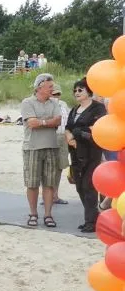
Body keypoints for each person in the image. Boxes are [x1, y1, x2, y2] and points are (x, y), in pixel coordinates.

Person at [21, 73, 62, 228]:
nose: (52, 89)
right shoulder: (27, 102)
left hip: (51, 146)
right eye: (50, 86)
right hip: (32, 147)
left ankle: (48, 214)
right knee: (32, 183)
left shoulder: (54, 103)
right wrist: (47, 122)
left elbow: (58, 121)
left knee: (49, 183)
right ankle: (33, 213)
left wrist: (41, 122)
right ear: (39, 87)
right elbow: (31, 123)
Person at [65, 77, 106, 232]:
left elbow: (97, 128)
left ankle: (91, 221)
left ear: (88, 92)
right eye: (75, 90)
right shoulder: (74, 109)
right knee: (79, 185)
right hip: (75, 152)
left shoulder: (98, 108)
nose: (77, 92)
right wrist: (70, 137)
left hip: (91, 151)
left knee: (88, 185)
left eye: (80, 90)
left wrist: (79, 133)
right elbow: (68, 127)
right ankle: (92, 216)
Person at [51, 83, 70, 205]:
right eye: (54, 94)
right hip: (52, 136)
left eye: (58, 94)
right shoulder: (46, 105)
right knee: (49, 167)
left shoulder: (64, 104)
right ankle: (48, 195)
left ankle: (55, 195)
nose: (56, 96)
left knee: (60, 167)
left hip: (64, 137)